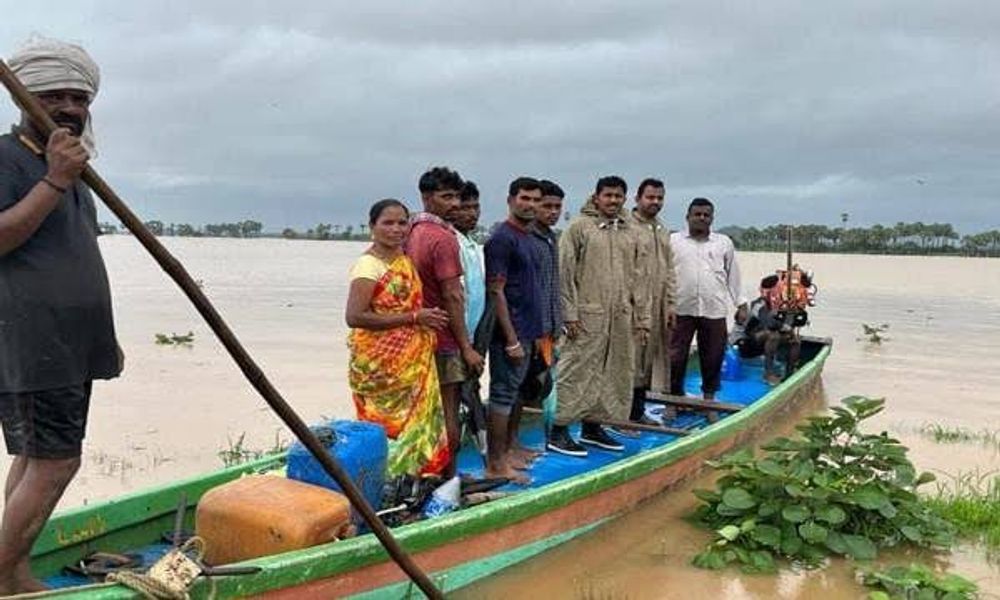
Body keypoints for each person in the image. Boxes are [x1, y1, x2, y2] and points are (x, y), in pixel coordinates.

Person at [0, 37, 122, 595]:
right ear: (24, 96)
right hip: (33, 337)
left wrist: (104, 337)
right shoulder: (11, 158)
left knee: (34, 457)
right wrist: (53, 180)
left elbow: (75, 253)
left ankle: (14, 567)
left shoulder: (72, 165)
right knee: (55, 462)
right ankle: (2, 574)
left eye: (78, 97)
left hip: (70, 340)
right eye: (54, 96)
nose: (70, 108)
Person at [345, 200, 451, 477]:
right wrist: (415, 318)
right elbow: (355, 317)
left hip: (411, 361)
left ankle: (415, 479)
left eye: (402, 222)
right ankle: (383, 479)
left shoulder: (403, 261)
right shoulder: (368, 266)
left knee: (416, 422)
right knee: (384, 428)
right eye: (387, 223)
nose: (396, 229)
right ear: (372, 227)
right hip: (379, 366)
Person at [548, 176, 650, 457]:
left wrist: (642, 318)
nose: (613, 201)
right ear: (596, 197)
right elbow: (565, 274)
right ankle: (558, 429)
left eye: (619, 196)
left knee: (613, 371)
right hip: (585, 316)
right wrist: (568, 314)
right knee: (576, 371)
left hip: (620, 317)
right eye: (608, 196)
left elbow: (640, 278)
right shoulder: (579, 229)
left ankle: (593, 427)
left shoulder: (631, 232)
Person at [404, 167, 484, 477]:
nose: (454, 204)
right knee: (448, 413)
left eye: (456, 197)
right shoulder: (442, 238)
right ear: (427, 198)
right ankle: (448, 477)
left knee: (422, 412)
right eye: (446, 197)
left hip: (415, 338)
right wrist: (467, 347)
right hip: (445, 339)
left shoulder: (409, 232)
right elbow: (453, 296)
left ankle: (419, 473)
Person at [483, 177, 545, 481]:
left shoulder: (528, 237)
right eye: (525, 198)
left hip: (529, 331)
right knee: (502, 396)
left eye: (535, 200)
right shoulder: (501, 239)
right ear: (510, 200)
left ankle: (510, 449)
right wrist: (510, 339)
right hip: (510, 333)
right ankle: (496, 464)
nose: (530, 204)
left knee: (518, 392)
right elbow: (497, 291)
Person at [669, 198, 747, 410]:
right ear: (688, 217)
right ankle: (674, 401)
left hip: (714, 310)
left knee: (713, 356)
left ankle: (708, 400)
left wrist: (741, 304)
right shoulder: (673, 241)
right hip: (680, 309)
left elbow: (733, 276)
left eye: (706, 215)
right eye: (697, 214)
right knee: (675, 356)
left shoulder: (723, 243)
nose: (702, 218)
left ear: (712, 218)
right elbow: (664, 275)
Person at [627, 178, 677, 427]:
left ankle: (637, 412)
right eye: (650, 197)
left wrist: (670, 304)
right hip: (634, 308)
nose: (655, 202)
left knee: (645, 362)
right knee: (629, 361)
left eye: (659, 198)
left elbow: (669, 271)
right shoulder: (626, 227)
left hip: (657, 307)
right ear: (637, 198)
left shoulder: (662, 229)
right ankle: (622, 414)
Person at [737, 274, 804, 385]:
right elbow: (768, 322)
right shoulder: (758, 304)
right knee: (773, 336)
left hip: (764, 340)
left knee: (794, 340)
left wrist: (790, 325)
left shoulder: (779, 305)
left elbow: (789, 321)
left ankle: (789, 374)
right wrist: (783, 327)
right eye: (777, 289)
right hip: (746, 343)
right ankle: (768, 374)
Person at [452, 180, 485, 341]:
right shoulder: (451, 242)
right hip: (457, 337)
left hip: (473, 334)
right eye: (465, 208)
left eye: (475, 207)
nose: (472, 214)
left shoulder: (473, 244)